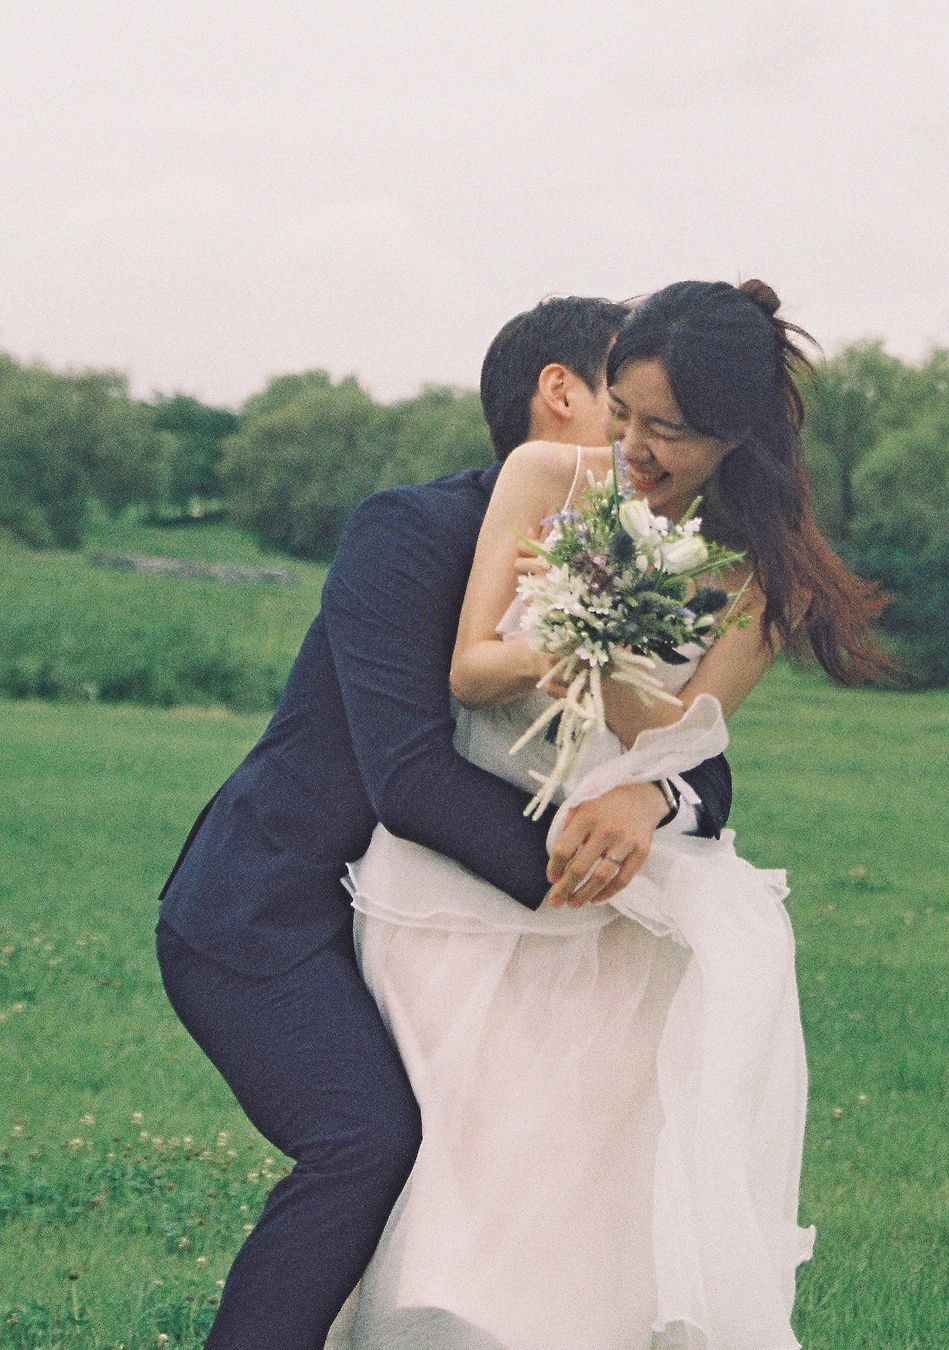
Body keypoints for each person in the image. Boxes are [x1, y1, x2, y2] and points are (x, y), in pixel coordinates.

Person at [155, 294, 734, 1349]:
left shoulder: (642, 554)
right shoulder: (410, 531)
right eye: (625, 402)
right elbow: (409, 778)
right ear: (561, 392)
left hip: (457, 943)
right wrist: (603, 881)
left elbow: (698, 753)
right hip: (268, 913)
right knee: (365, 1142)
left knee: (509, 1175)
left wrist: (647, 801)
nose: (646, 437)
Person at [328, 280, 890, 1349]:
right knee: (461, 1201)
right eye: (623, 412)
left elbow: (682, 739)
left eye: (667, 430)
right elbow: (472, 670)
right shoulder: (546, 475)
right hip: (459, 891)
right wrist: (562, 637)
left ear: (733, 434)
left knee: (586, 1214)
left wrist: (609, 649)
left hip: (610, 888)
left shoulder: (766, 577)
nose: (635, 448)